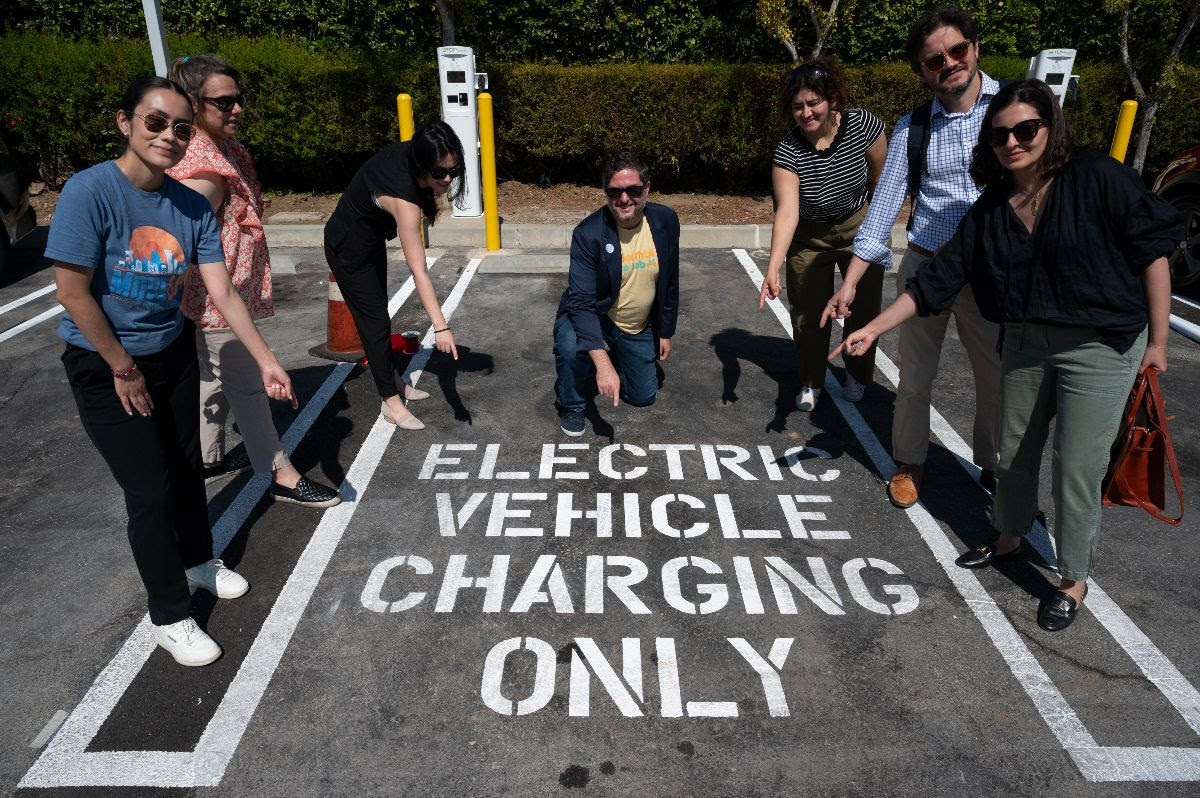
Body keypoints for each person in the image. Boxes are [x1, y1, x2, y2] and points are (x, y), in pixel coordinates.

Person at [832, 79, 1181, 631]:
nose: (1013, 142)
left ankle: (1072, 578)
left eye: (1026, 129)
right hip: (1024, 340)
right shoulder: (992, 207)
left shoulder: (1095, 177)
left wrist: (1159, 344)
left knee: (1076, 462)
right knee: (1013, 452)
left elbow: (1153, 251)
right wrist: (871, 328)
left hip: (1100, 345)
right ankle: (1008, 537)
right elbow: (935, 283)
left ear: (1049, 127)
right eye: (1001, 135)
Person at [50, 76, 298, 665]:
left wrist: (267, 360)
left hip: (170, 352)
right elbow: (72, 292)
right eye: (155, 122)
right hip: (105, 363)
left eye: (181, 127)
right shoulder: (90, 191)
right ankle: (170, 615)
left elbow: (224, 292)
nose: (169, 136)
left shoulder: (189, 205)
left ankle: (196, 560)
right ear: (125, 123)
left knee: (187, 469)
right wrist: (121, 365)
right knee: (150, 491)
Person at [823, 5, 1002, 509]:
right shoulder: (913, 128)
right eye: (933, 60)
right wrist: (852, 282)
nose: (948, 63)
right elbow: (882, 209)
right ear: (922, 72)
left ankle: (993, 463)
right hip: (926, 266)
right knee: (914, 376)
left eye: (956, 50)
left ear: (974, 48)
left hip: (990, 272)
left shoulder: (1012, 110)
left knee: (996, 377)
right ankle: (911, 461)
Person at [166, 54, 340, 509]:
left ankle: (206, 457)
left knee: (215, 377)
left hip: (216, 300)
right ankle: (282, 473)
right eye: (223, 103)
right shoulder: (204, 173)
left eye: (238, 100)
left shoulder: (219, 149)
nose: (236, 109)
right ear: (192, 104)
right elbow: (176, 244)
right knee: (247, 385)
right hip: (216, 301)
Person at [758, 56, 887, 411]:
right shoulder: (788, 150)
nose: (806, 112)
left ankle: (858, 375)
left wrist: (876, 229)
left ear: (832, 99)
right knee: (807, 315)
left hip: (859, 227)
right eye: (798, 106)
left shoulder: (864, 126)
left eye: (814, 102)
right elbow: (787, 211)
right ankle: (812, 380)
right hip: (809, 238)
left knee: (862, 309)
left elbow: (881, 179)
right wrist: (773, 266)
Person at [323, 120, 466, 430]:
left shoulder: (415, 154)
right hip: (347, 248)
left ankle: (395, 382)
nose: (447, 179)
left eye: (453, 171)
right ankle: (390, 402)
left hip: (369, 241)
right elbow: (419, 270)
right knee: (373, 323)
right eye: (439, 173)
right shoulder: (405, 200)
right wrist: (440, 328)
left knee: (379, 316)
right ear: (422, 165)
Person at [552, 152, 680, 436]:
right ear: (606, 193)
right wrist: (603, 364)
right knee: (570, 344)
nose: (624, 199)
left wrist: (665, 330)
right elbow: (582, 304)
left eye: (633, 190)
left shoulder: (666, 220)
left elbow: (670, 280)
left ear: (646, 189)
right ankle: (571, 403)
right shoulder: (588, 234)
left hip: (635, 324)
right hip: (595, 315)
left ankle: (620, 356)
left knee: (643, 396)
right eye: (615, 192)